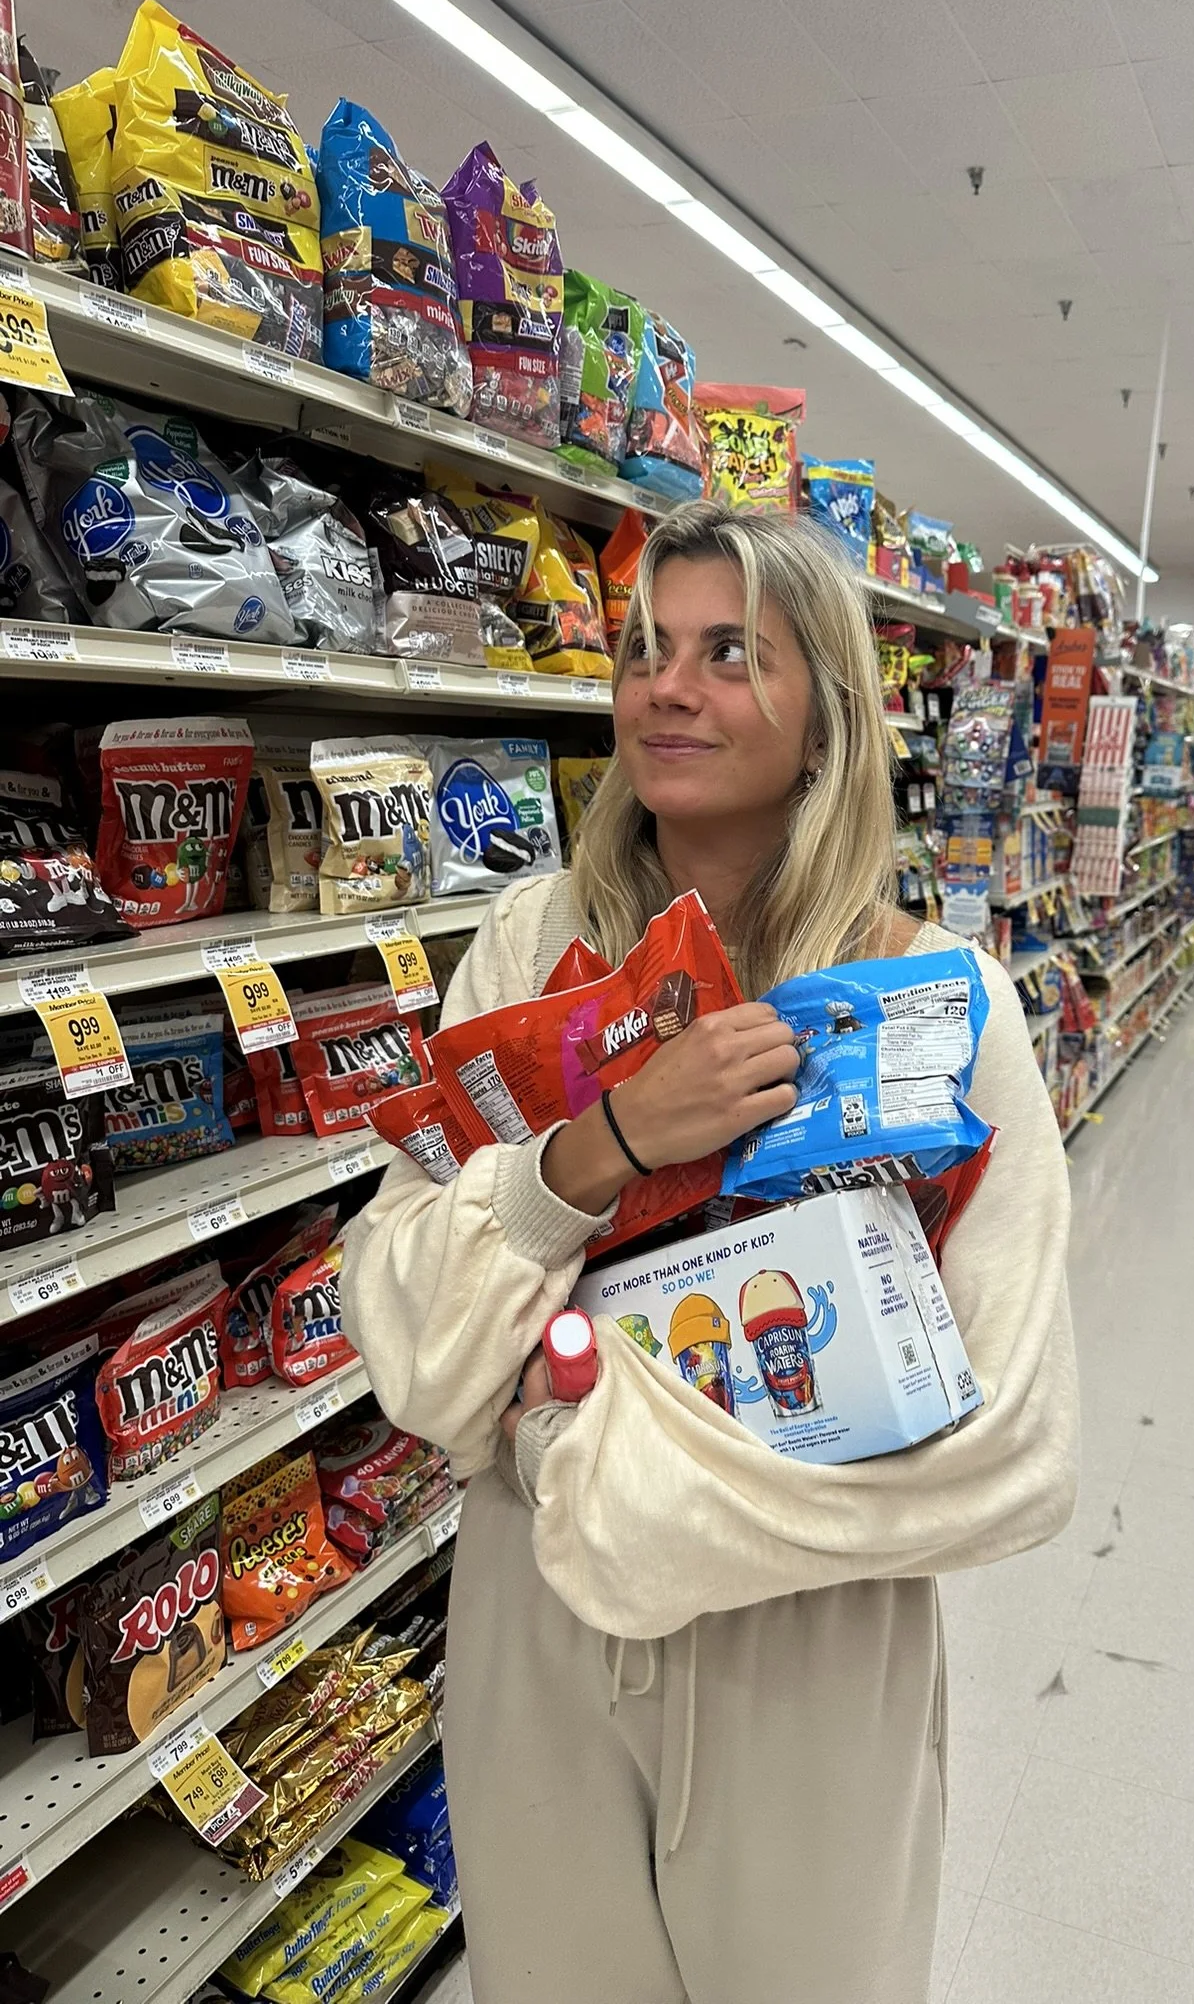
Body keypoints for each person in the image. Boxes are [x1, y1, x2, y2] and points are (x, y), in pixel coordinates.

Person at [341, 499, 1078, 2004]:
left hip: (804, 1644)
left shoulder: (942, 1002)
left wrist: (596, 1473)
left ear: (832, 720)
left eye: (732, 653)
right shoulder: (528, 949)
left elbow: (1015, 1440)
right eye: (645, 649)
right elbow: (411, 1334)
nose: (668, 688)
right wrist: (599, 1147)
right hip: (536, 1631)